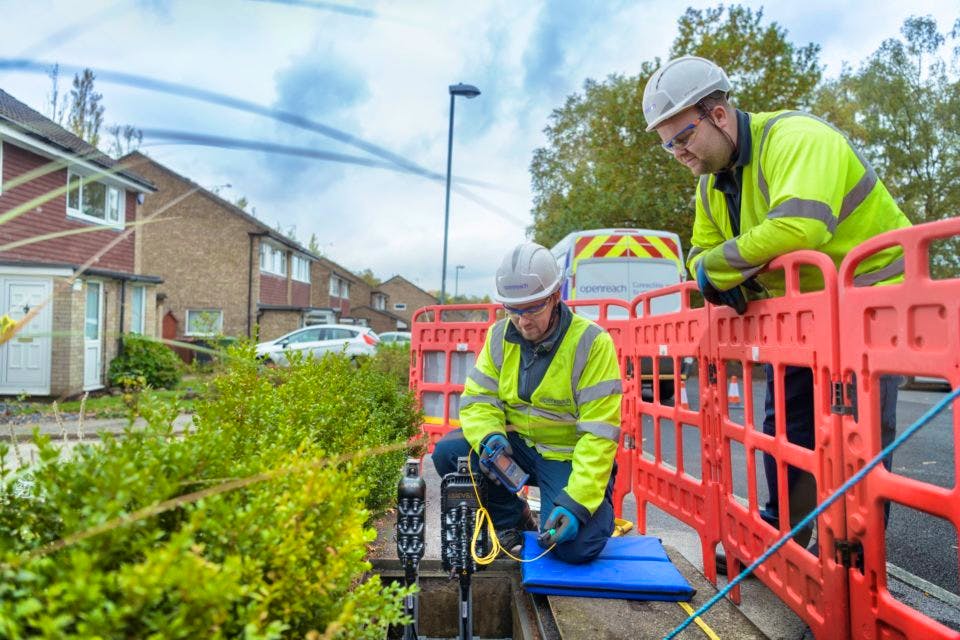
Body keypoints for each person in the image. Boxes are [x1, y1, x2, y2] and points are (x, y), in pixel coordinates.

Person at [642, 55, 909, 566]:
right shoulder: (709, 185)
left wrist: (718, 270)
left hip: (871, 310)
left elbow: (799, 227)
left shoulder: (797, 137)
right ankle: (777, 548)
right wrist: (717, 269)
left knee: (858, 449)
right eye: (667, 144)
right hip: (801, 320)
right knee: (784, 437)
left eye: (682, 137)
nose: (676, 152)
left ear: (719, 114)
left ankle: (855, 577)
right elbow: (697, 255)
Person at [431, 242, 623, 563]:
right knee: (451, 454)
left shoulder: (592, 343)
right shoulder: (498, 336)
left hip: (568, 458)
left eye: (532, 309)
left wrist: (577, 503)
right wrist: (490, 437)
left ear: (555, 296)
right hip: (515, 449)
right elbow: (479, 400)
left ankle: (595, 504)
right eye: (513, 310)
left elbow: (599, 434)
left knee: (574, 549)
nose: (522, 321)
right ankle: (511, 521)